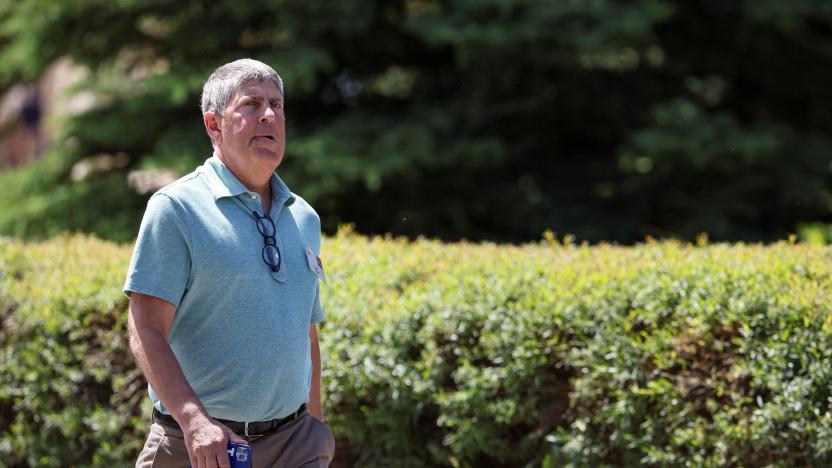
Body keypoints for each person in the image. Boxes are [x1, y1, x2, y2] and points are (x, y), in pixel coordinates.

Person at [125, 58, 334, 468]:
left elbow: (305, 333)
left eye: (277, 104)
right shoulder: (175, 209)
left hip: (296, 445)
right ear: (214, 125)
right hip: (200, 447)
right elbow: (144, 327)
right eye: (251, 104)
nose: (269, 115)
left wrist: (315, 428)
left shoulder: (305, 218)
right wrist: (194, 422)